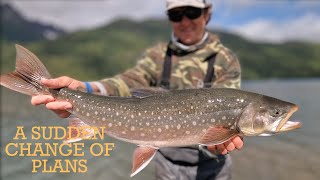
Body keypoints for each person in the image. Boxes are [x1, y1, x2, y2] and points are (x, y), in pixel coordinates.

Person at [31, 0, 244, 179]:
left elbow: (228, 107)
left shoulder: (225, 60)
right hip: (166, 164)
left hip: (213, 167)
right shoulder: (157, 56)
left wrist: (219, 139)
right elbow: (127, 82)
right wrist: (83, 87)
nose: (185, 21)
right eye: (176, 14)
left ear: (207, 14)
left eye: (192, 12)